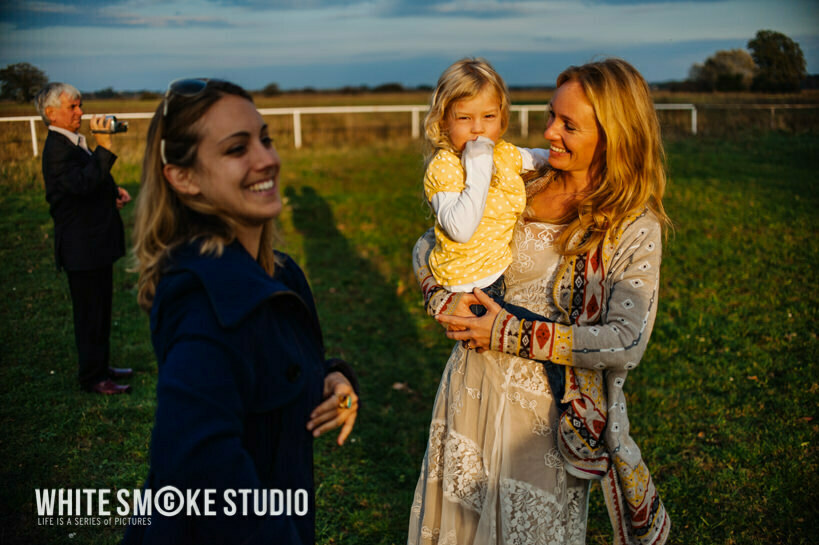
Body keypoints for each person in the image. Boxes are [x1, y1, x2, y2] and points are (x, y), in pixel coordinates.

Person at [409, 58, 671, 545]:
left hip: (549, 421)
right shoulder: (521, 182)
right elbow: (430, 244)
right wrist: (440, 296)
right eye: (552, 115)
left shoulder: (633, 225)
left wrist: (507, 332)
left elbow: (626, 341)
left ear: (615, 135)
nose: (549, 132)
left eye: (569, 125)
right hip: (470, 391)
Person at [124, 78, 360, 544]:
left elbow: (267, 366)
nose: (267, 158)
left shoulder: (280, 273)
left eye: (265, 139)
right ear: (184, 178)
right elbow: (196, 470)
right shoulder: (202, 299)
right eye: (237, 149)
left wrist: (332, 379)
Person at [422, 58, 549, 316]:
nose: (478, 128)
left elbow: (537, 157)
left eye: (489, 116)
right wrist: (477, 167)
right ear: (445, 120)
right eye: (465, 117)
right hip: (470, 288)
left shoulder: (502, 152)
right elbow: (460, 229)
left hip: (496, 275)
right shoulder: (445, 166)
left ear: (501, 117)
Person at [35, 82, 133, 395]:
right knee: (90, 315)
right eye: (72, 107)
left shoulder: (73, 143)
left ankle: (101, 366)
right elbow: (81, 185)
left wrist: (112, 193)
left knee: (101, 309)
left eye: (80, 105)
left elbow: (89, 182)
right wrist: (104, 146)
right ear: (51, 114)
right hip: (82, 247)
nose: (81, 112)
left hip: (94, 244)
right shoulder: (57, 149)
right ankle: (93, 377)